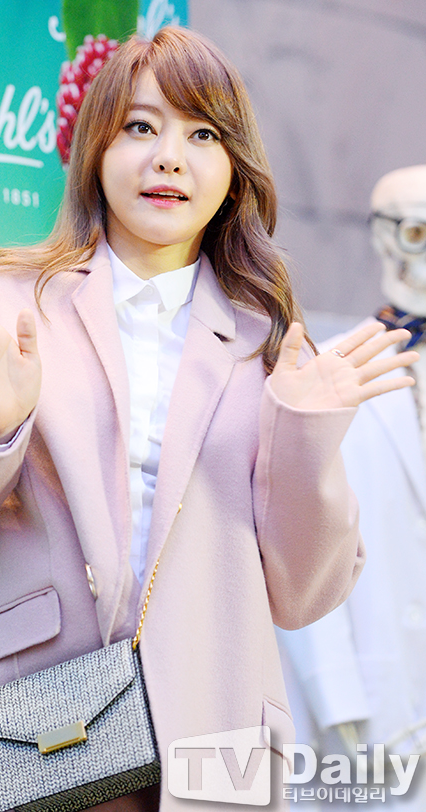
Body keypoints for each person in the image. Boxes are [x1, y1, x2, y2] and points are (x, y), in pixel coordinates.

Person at [0, 28, 418, 812]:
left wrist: (305, 437)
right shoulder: (1, 302)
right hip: (40, 722)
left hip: (213, 734)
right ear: (97, 150)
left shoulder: (271, 343)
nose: (169, 157)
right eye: (141, 126)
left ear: (234, 170)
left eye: (202, 134)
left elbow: (306, 595)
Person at [278, 165, 426, 810]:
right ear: (385, 238)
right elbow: (296, 529)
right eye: (418, 231)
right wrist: (333, 687)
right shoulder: (329, 369)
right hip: (369, 689)